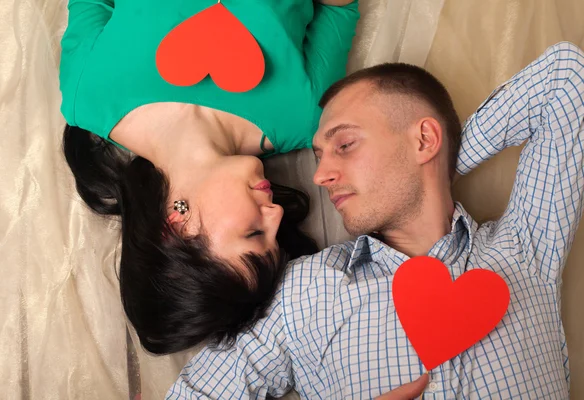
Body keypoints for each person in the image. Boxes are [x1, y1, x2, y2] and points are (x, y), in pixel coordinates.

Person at [167, 42, 584, 399]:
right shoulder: (303, 293)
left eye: (344, 144)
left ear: (424, 138)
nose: (320, 176)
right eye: (318, 156)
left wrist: (439, 163)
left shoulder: (525, 248)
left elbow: (566, 77)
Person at [58, 0, 359, 355]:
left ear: (175, 225)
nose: (276, 214)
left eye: (254, 233)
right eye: (275, 237)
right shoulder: (305, 116)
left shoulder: (87, 94)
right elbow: (340, 9)